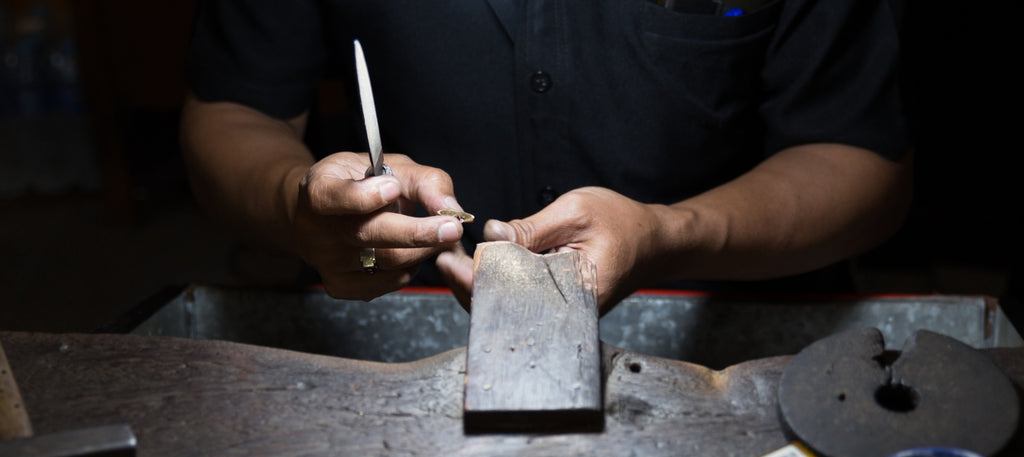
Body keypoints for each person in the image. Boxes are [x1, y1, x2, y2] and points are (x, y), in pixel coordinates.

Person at [180, 0, 912, 315]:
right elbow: (232, 111)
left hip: (726, 341)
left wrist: (671, 234)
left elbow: (863, 163)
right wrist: (296, 206)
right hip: (403, 333)